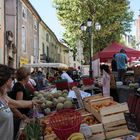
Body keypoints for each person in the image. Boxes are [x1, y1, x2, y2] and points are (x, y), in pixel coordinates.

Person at [0, 64, 40, 140]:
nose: (13, 80)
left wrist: (33, 102)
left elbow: (18, 103)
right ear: (5, 81)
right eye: (11, 78)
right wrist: (22, 116)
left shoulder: (4, 97)